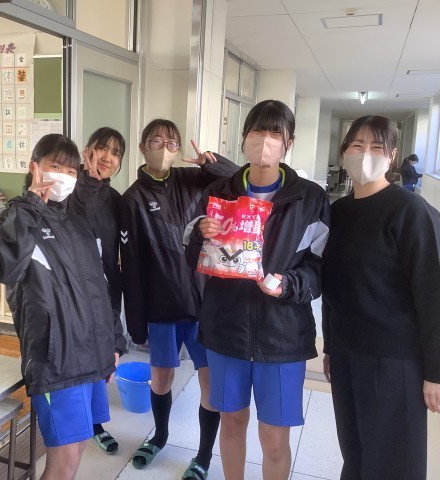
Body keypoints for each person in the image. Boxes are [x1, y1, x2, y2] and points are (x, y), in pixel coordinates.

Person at [185, 99, 330, 480]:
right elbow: (192, 259)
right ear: (244, 138)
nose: (265, 141)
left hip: (282, 336)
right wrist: (200, 235)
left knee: (275, 439)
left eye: (274, 134)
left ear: (288, 143)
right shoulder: (219, 191)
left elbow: (319, 268)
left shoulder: (309, 198)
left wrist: (289, 284)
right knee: (232, 421)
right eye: (257, 132)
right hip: (226, 330)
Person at [0, 134, 117, 480]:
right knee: (63, 462)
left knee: (80, 446)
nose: (64, 176)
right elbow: (4, 269)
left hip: (92, 355)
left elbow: (98, 285)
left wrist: (112, 344)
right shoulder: (17, 215)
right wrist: (30, 206)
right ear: (35, 167)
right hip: (57, 360)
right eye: (55, 166)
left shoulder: (77, 219)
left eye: (71, 170)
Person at [321, 115, 440, 480]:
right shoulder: (338, 212)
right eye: (357, 145)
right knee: (355, 452)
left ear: (391, 157)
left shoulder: (409, 211)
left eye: (377, 147)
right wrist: (330, 347)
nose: (365, 154)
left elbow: (432, 294)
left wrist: (435, 372)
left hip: (394, 360)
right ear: (344, 152)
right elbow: (334, 286)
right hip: (347, 355)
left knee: (393, 462)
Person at [119, 118, 238, 480]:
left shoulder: (194, 179)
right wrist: (136, 325)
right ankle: (160, 436)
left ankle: (202, 456)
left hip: (203, 301)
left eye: (172, 143)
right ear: (143, 147)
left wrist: (210, 163)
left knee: (209, 384)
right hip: (162, 304)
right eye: (156, 142)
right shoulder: (132, 199)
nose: (165, 149)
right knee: (161, 379)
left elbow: (237, 180)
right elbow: (132, 265)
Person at [70, 127, 129, 454]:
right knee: (76, 357)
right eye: (102, 149)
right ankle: (77, 425)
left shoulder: (116, 200)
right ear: (87, 150)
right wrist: (88, 183)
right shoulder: (67, 189)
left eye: (115, 153)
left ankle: (95, 423)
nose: (107, 157)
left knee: (103, 356)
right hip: (71, 290)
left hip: (105, 287)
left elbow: (116, 253)